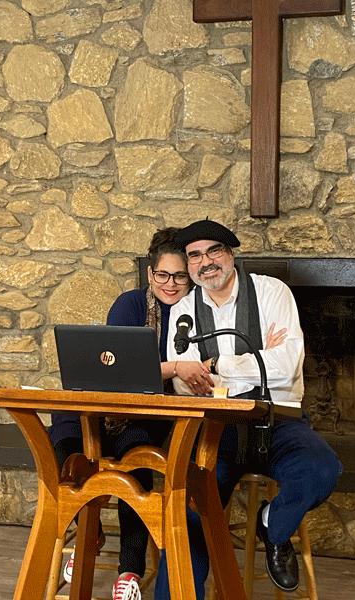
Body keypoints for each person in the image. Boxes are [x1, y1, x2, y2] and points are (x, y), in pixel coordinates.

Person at [153, 219, 343, 600]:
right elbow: (182, 380)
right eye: (194, 256)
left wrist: (217, 365)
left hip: (276, 421)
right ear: (188, 264)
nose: (205, 262)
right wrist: (257, 360)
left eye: (214, 251)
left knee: (323, 469)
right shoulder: (184, 308)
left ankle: (273, 523)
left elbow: (286, 366)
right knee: (188, 517)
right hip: (215, 429)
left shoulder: (273, 293)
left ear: (231, 254)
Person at [48, 227, 214, 600]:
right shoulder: (131, 303)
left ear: (191, 275)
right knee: (64, 435)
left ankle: (130, 571)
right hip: (111, 400)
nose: (170, 284)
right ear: (149, 273)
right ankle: (88, 535)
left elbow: (204, 370)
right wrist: (173, 368)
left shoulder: (201, 313)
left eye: (180, 277)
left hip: (155, 411)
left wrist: (168, 371)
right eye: (162, 275)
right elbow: (117, 365)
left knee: (135, 454)